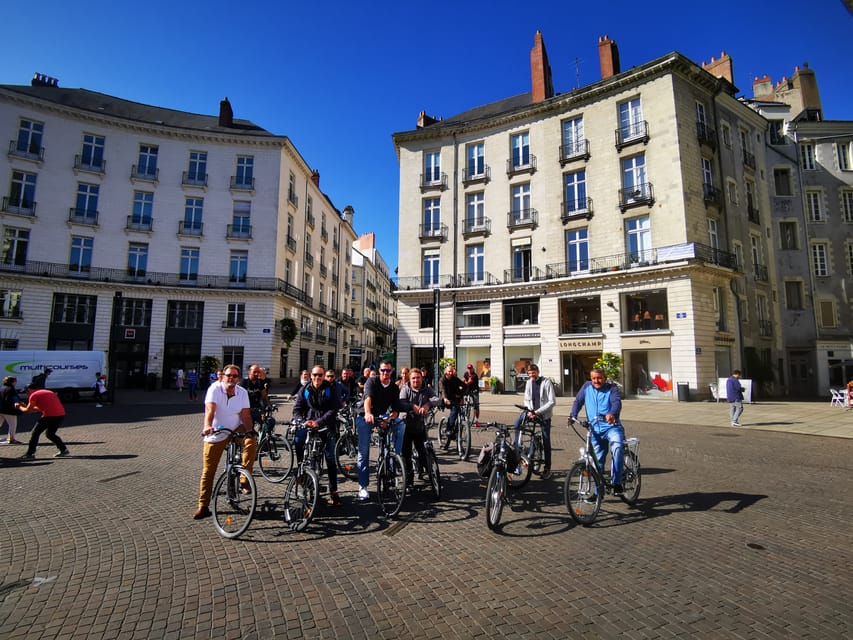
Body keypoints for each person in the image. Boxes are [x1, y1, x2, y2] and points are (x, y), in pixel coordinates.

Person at [193, 364, 256, 520]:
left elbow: (246, 415)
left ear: (238, 378)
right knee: (209, 470)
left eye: (235, 376)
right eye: (229, 375)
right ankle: (203, 505)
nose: (231, 378)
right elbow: (210, 409)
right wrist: (208, 426)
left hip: (236, 429)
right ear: (223, 376)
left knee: (252, 441)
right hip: (217, 431)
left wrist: (250, 431)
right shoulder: (215, 389)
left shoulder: (242, 392)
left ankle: (243, 478)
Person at [569, 368, 625, 494]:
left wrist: (612, 413)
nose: (596, 381)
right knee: (597, 462)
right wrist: (573, 415)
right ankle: (598, 493)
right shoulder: (586, 387)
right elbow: (578, 401)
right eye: (593, 378)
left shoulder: (612, 389)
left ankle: (617, 483)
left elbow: (617, 402)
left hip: (611, 427)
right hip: (594, 430)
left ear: (605, 378)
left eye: (599, 378)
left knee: (617, 448)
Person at [293, 366, 343, 506]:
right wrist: (302, 421)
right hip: (309, 425)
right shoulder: (305, 390)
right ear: (310, 375)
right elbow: (297, 409)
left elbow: (334, 409)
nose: (317, 378)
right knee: (298, 440)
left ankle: (334, 492)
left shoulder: (330, 389)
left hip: (326, 426)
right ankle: (301, 472)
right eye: (315, 375)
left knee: (330, 458)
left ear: (323, 376)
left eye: (320, 375)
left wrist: (318, 422)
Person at [356, 360, 405, 500]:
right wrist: (367, 413)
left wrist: (388, 419)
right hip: (365, 416)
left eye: (388, 371)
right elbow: (368, 399)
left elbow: (395, 410)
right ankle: (363, 486)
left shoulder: (394, 388)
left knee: (401, 425)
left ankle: (393, 458)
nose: (385, 373)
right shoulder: (372, 381)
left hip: (382, 416)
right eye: (383, 370)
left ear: (392, 371)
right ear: (379, 371)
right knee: (364, 452)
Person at [513, 363, 556, 478]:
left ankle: (547, 468)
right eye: (530, 373)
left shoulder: (546, 382)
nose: (532, 375)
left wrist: (537, 412)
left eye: (533, 372)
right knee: (517, 424)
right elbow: (526, 399)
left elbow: (552, 401)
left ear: (537, 372)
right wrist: (530, 411)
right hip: (531, 412)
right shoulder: (528, 382)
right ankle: (517, 446)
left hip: (543, 415)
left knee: (546, 440)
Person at [398, 368, 439, 486]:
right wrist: (412, 406)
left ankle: (426, 470)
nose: (416, 380)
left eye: (418, 378)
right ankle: (409, 479)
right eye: (413, 378)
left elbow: (437, 399)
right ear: (410, 380)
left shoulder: (427, 389)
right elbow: (401, 402)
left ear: (422, 378)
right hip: (406, 425)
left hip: (419, 425)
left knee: (423, 451)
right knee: (406, 453)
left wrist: (428, 404)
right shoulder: (405, 389)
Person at [17, 386, 69, 460]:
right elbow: (42, 408)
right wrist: (26, 407)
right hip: (60, 415)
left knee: (35, 433)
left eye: (26, 392)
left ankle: (30, 454)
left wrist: (19, 407)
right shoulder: (48, 392)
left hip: (49, 416)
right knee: (50, 434)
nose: (27, 394)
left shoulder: (33, 395)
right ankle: (63, 449)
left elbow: (28, 411)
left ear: (29, 390)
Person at [438, 364, 465, 451]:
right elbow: (443, 390)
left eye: (452, 371)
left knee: (461, 415)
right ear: (446, 372)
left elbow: (464, 386)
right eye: (449, 371)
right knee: (454, 408)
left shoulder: (454, 378)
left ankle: (457, 437)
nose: (451, 373)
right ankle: (449, 428)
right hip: (446, 400)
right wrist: (445, 398)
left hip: (454, 399)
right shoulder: (442, 380)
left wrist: (461, 394)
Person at [0, 376, 23, 444]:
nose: (16, 382)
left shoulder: (2, 387)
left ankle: (11, 439)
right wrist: (19, 403)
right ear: (13, 382)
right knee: (12, 424)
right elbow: (14, 398)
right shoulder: (11, 389)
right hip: (9, 410)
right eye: (15, 381)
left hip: (0, 409)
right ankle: (11, 439)